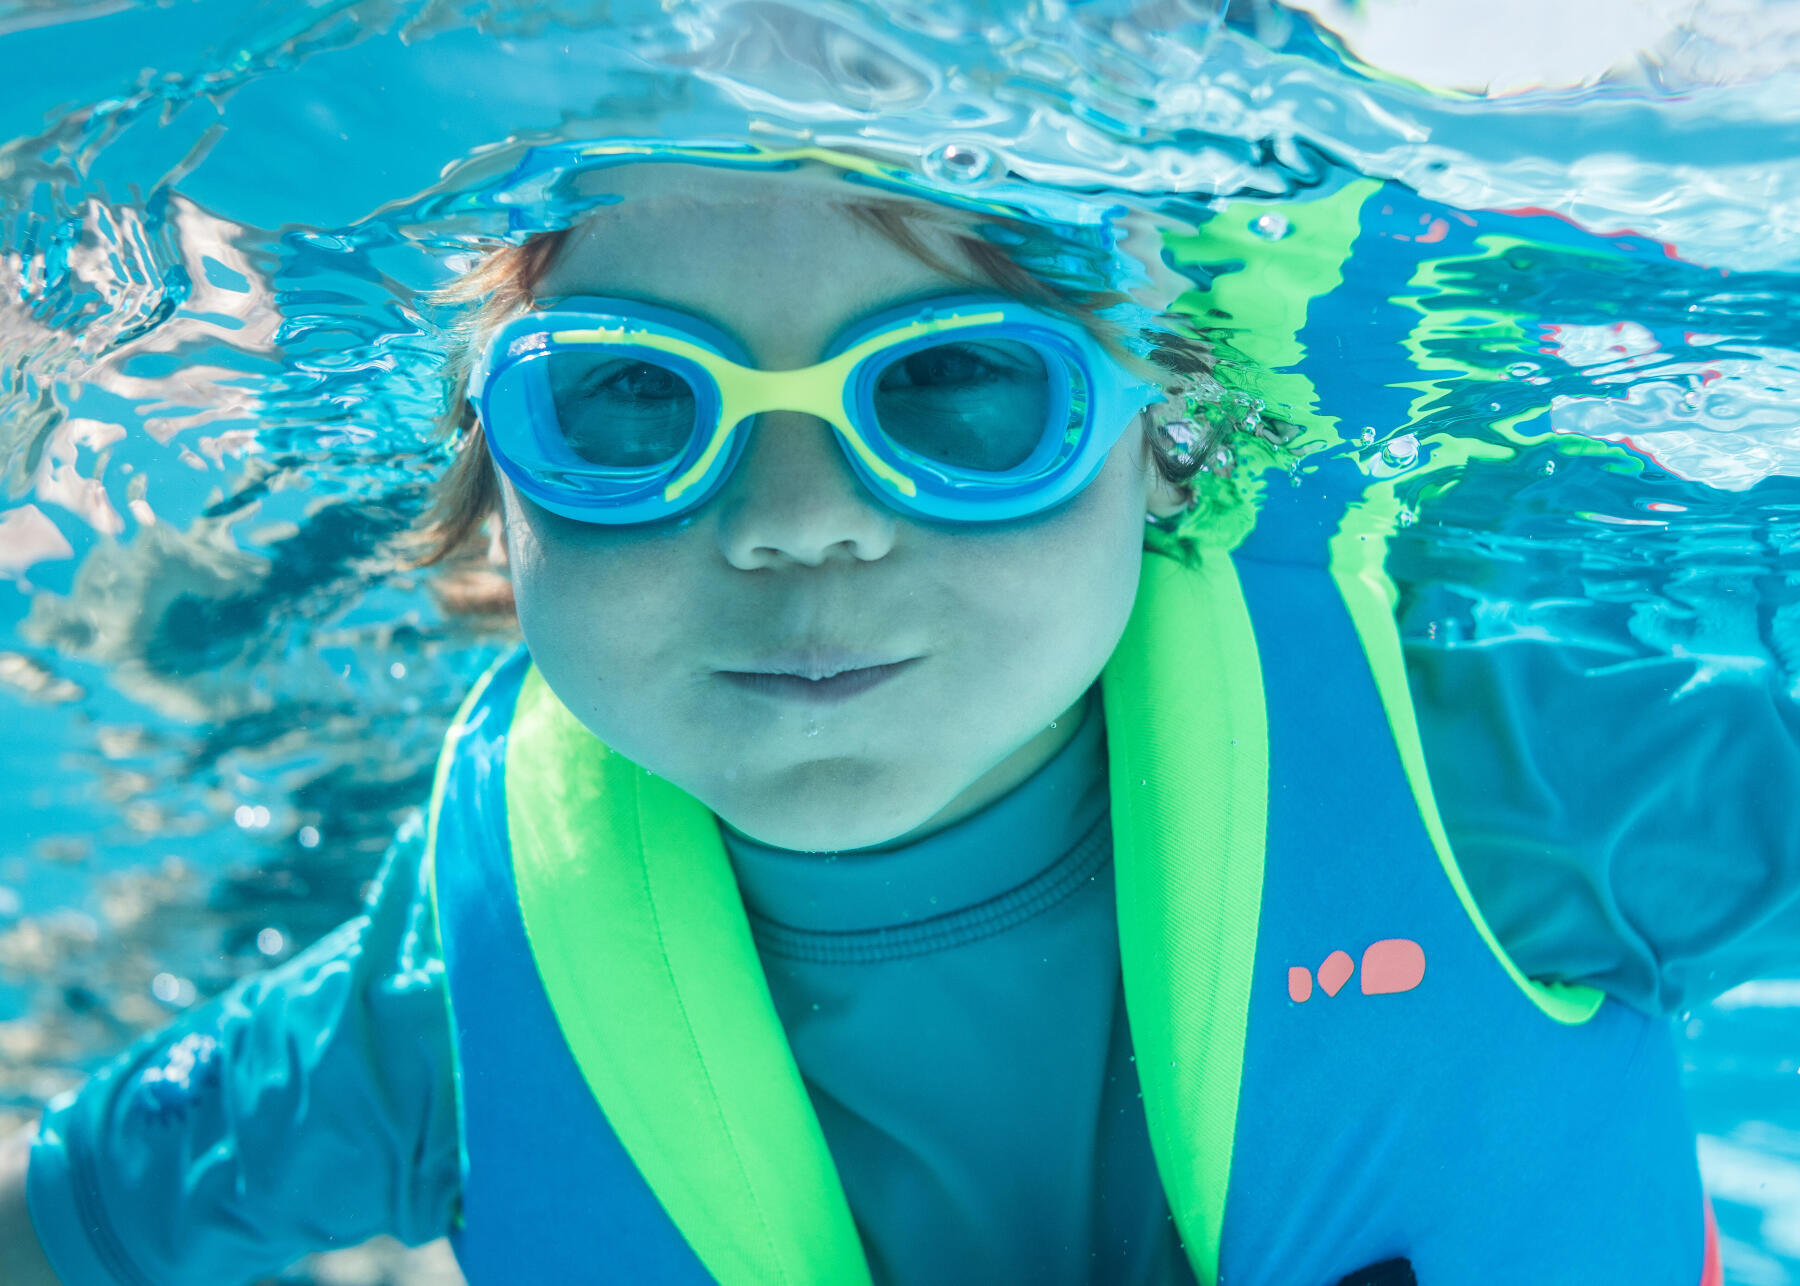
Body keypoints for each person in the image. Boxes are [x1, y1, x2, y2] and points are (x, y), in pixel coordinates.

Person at [3, 140, 1794, 1286]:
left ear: (1161, 438)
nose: (797, 513)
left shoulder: (1490, 765)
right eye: (632, 408)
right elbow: (71, 1216)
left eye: (949, 389)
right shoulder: (450, 1008)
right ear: (494, 500)